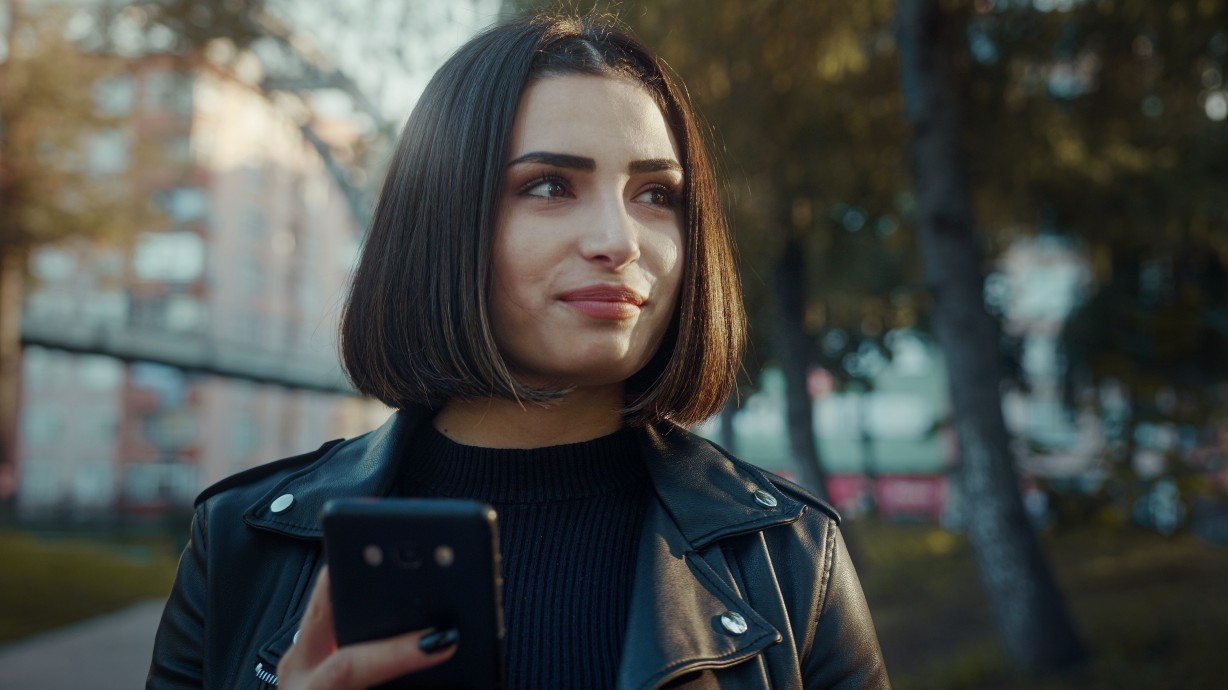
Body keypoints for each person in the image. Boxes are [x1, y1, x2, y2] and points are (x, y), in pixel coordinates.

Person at [147, 11, 890, 690]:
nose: (619, 240)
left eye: (656, 195)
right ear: (440, 222)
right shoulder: (242, 544)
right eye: (548, 186)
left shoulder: (789, 557)